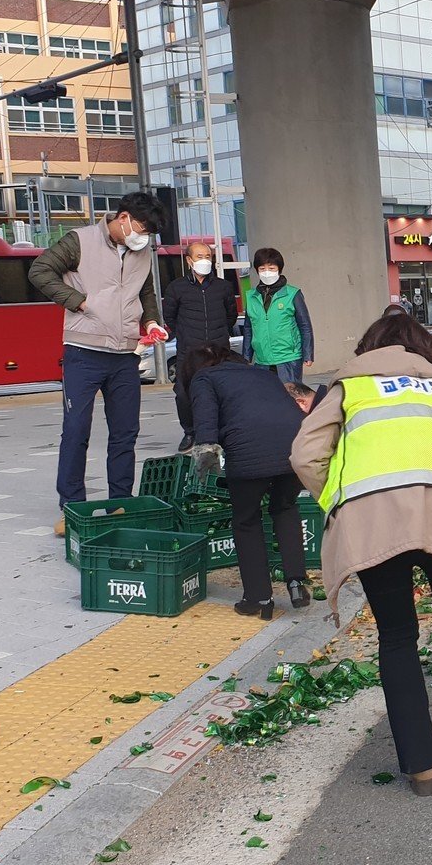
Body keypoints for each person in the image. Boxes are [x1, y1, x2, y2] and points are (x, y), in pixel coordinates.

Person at [290, 311, 432, 796]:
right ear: (424, 351)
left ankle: (422, 769)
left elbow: (305, 456)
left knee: (397, 635)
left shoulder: (350, 388)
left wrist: (340, 500)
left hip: (374, 520)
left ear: (371, 348)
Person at [30, 192, 168, 536]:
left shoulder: (142, 252)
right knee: (77, 429)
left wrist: (150, 322)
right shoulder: (80, 241)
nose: (144, 236)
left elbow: (145, 292)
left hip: (125, 353)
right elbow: (40, 270)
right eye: (141, 227)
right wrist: (77, 302)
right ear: (123, 218)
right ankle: (72, 508)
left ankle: (120, 502)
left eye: (150, 232)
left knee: (125, 432)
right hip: (83, 350)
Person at [189, 345, 311, 619]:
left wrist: (205, 455)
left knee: (246, 520)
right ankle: (295, 581)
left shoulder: (204, 378)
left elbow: (206, 421)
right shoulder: (262, 374)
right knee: (286, 508)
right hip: (293, 449)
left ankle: (259, 598)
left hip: (248, 453)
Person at [162, 242, 240, 453]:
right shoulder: (176, 288)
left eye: (208, 256)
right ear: (189, 260)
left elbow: (231, 316)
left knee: (221, 391)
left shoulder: (223, 287)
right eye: (199, 256)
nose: (205, 260)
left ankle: (220, 432)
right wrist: (186, 336)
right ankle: (190, 432)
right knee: (183, 393)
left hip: (218, 351)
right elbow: (170, 317)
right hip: (189, 352)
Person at [242, 247, 314, 385]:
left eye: (272, 268)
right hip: (262, 358)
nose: (267, 272)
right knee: (267, 397)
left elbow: (305, 325)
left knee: (291, 396)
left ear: (279, 270)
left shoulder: (293, 294)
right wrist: (246, 356)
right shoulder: (251, 296)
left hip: (288, 357)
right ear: (257, 270)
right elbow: (248, 328)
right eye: (262, 269)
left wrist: (308, 353)